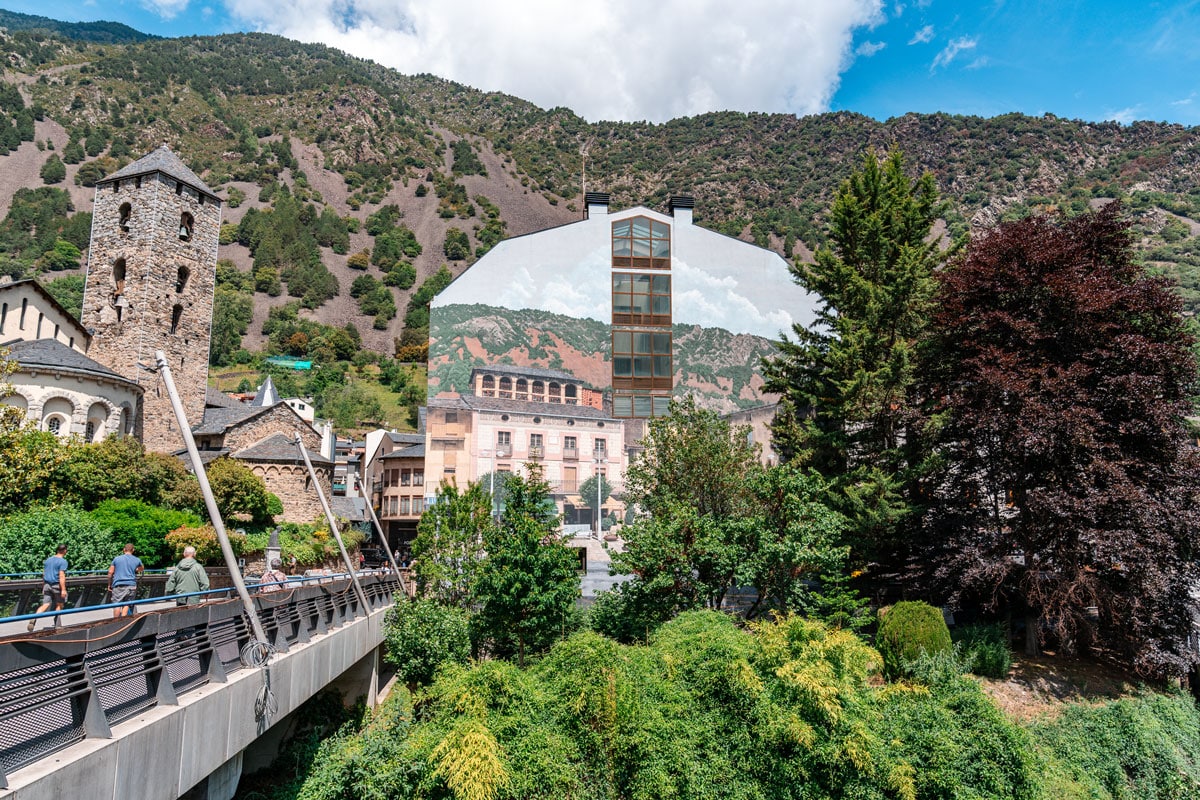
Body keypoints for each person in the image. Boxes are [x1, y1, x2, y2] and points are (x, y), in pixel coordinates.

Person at [28, 544, 68, 631]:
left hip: (47, 585)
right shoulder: (63, 561)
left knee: (45, 604)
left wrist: (43, 586)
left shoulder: (48, 560)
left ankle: (34, 617)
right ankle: (57, 624)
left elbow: (44, 574)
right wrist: (63, 589)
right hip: (57, 586)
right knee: (59, 604)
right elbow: (61, 576)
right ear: (64, 550)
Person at [107, 543, 144, 618]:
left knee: (117, 604)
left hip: (118, 584)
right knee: (127, 603)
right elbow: (142, 568)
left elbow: (110, 572)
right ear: (133, 550)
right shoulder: (137, 560)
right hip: (131, 585)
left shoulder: (117, 559)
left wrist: (109, 584)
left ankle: (116, 622)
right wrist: (136, 569)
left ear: (124, 549)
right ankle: (123, 621)